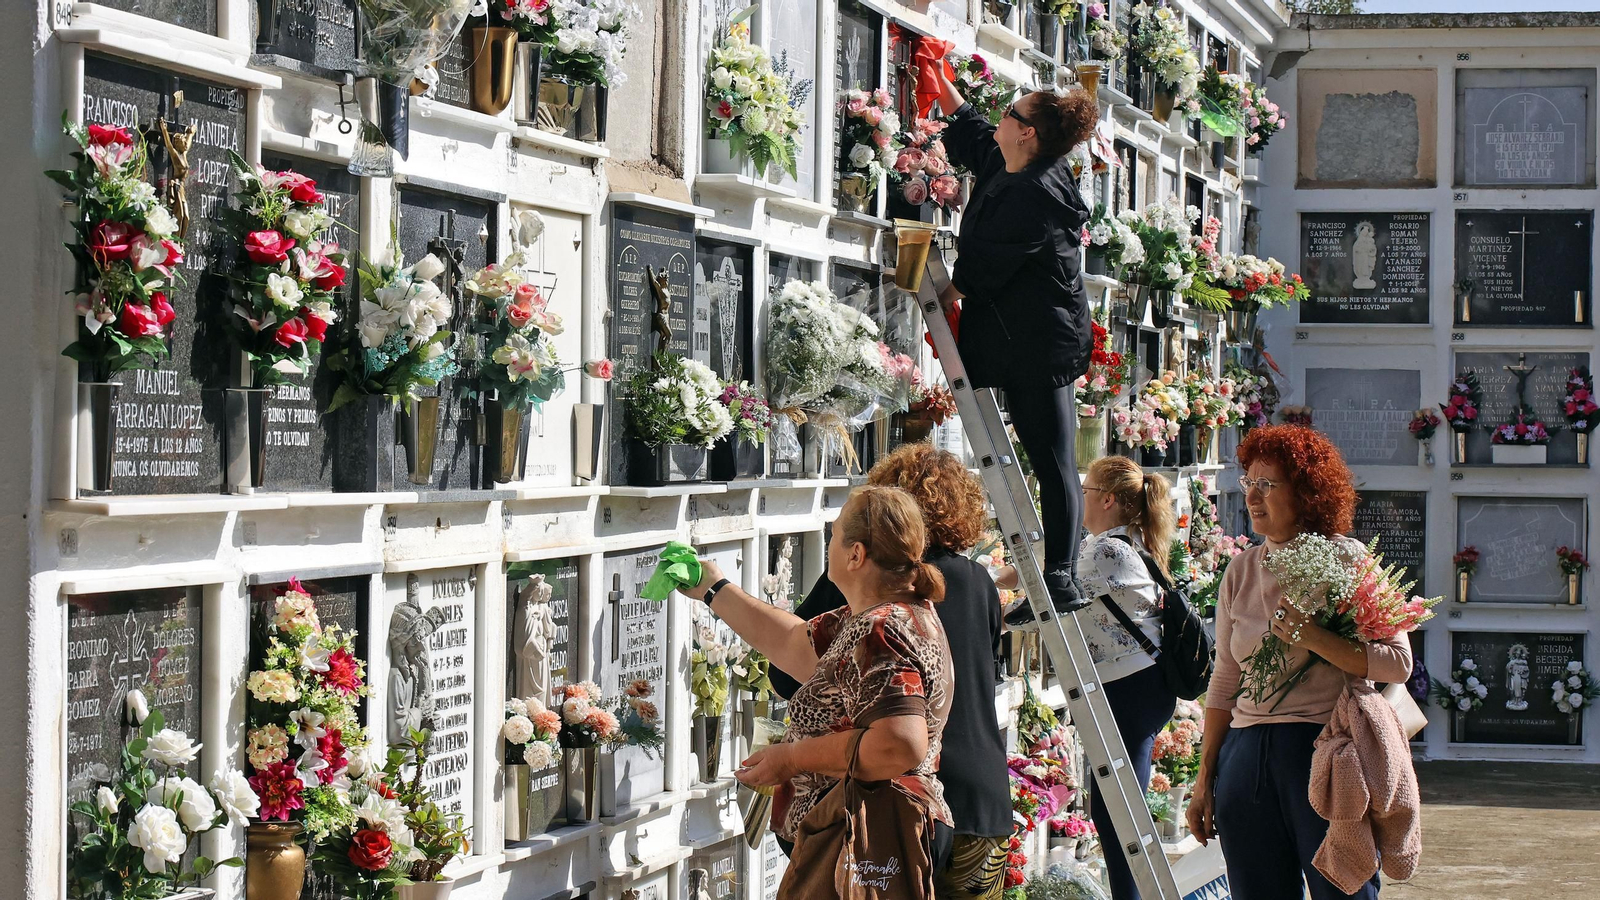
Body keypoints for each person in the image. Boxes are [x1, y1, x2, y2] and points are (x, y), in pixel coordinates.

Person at [678, 486, 954, 889]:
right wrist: (713, 589)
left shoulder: (883, 631)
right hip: (859, 833)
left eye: (834, 533)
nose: (828, 542)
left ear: (856, 554)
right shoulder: (882, 615)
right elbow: (795, 645)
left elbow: (898, 744)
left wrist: (791, 758)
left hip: (868, 839)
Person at [770, 444, 1011, 898]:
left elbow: (789, 672)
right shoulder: (978, 580)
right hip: (984, 800)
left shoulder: (868, 580)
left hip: (902, 806)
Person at [1187, 426, 1413, 900]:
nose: (1253, 495)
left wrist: (1313, 637)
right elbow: (1226, 677)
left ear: (1307, 491)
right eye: (1248, 481)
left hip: (1321, 752)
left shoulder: (1347, 559)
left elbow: (1396, 662)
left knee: (1341, 890)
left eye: (1268, 484)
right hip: (1245, 756)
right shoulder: (1241, 569)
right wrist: (1206, 777)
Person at [930, 62, 1101, 620]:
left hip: (1038, 346)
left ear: (1027, 132)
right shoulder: (1016, 165)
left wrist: (919, 288)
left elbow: (980, 273)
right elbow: (978, 136)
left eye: (1011, 113)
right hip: (1020, 335)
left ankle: (1061, 577)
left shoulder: (1033, 193)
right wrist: (935, 74)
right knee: (1045, 455)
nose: (1001, 119)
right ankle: (1056, 575)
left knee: (1052, 458)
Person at [1074, 456, 1179, 900]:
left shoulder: (1107, 551)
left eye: (1085, 492)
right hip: (1137, 685)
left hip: (1131, 690)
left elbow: (1049, 597)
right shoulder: (1115, 543)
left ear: (1108, 499)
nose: (1080, 500)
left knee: (1121, 816)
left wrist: (986, 612)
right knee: (1116, 810)